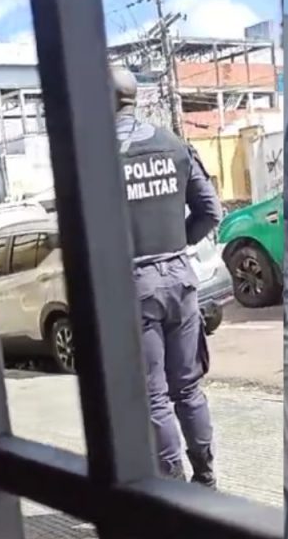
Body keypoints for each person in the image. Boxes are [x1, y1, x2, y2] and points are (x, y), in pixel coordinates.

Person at [111, 66, 222, 487]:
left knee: (154, 395)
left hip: (135, 286)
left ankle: (172, 485)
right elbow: (210, 211)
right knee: (188, 388)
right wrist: (178, 243)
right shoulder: (175, 144)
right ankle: (207, 478)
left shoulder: (99, 155)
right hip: (181, 277)